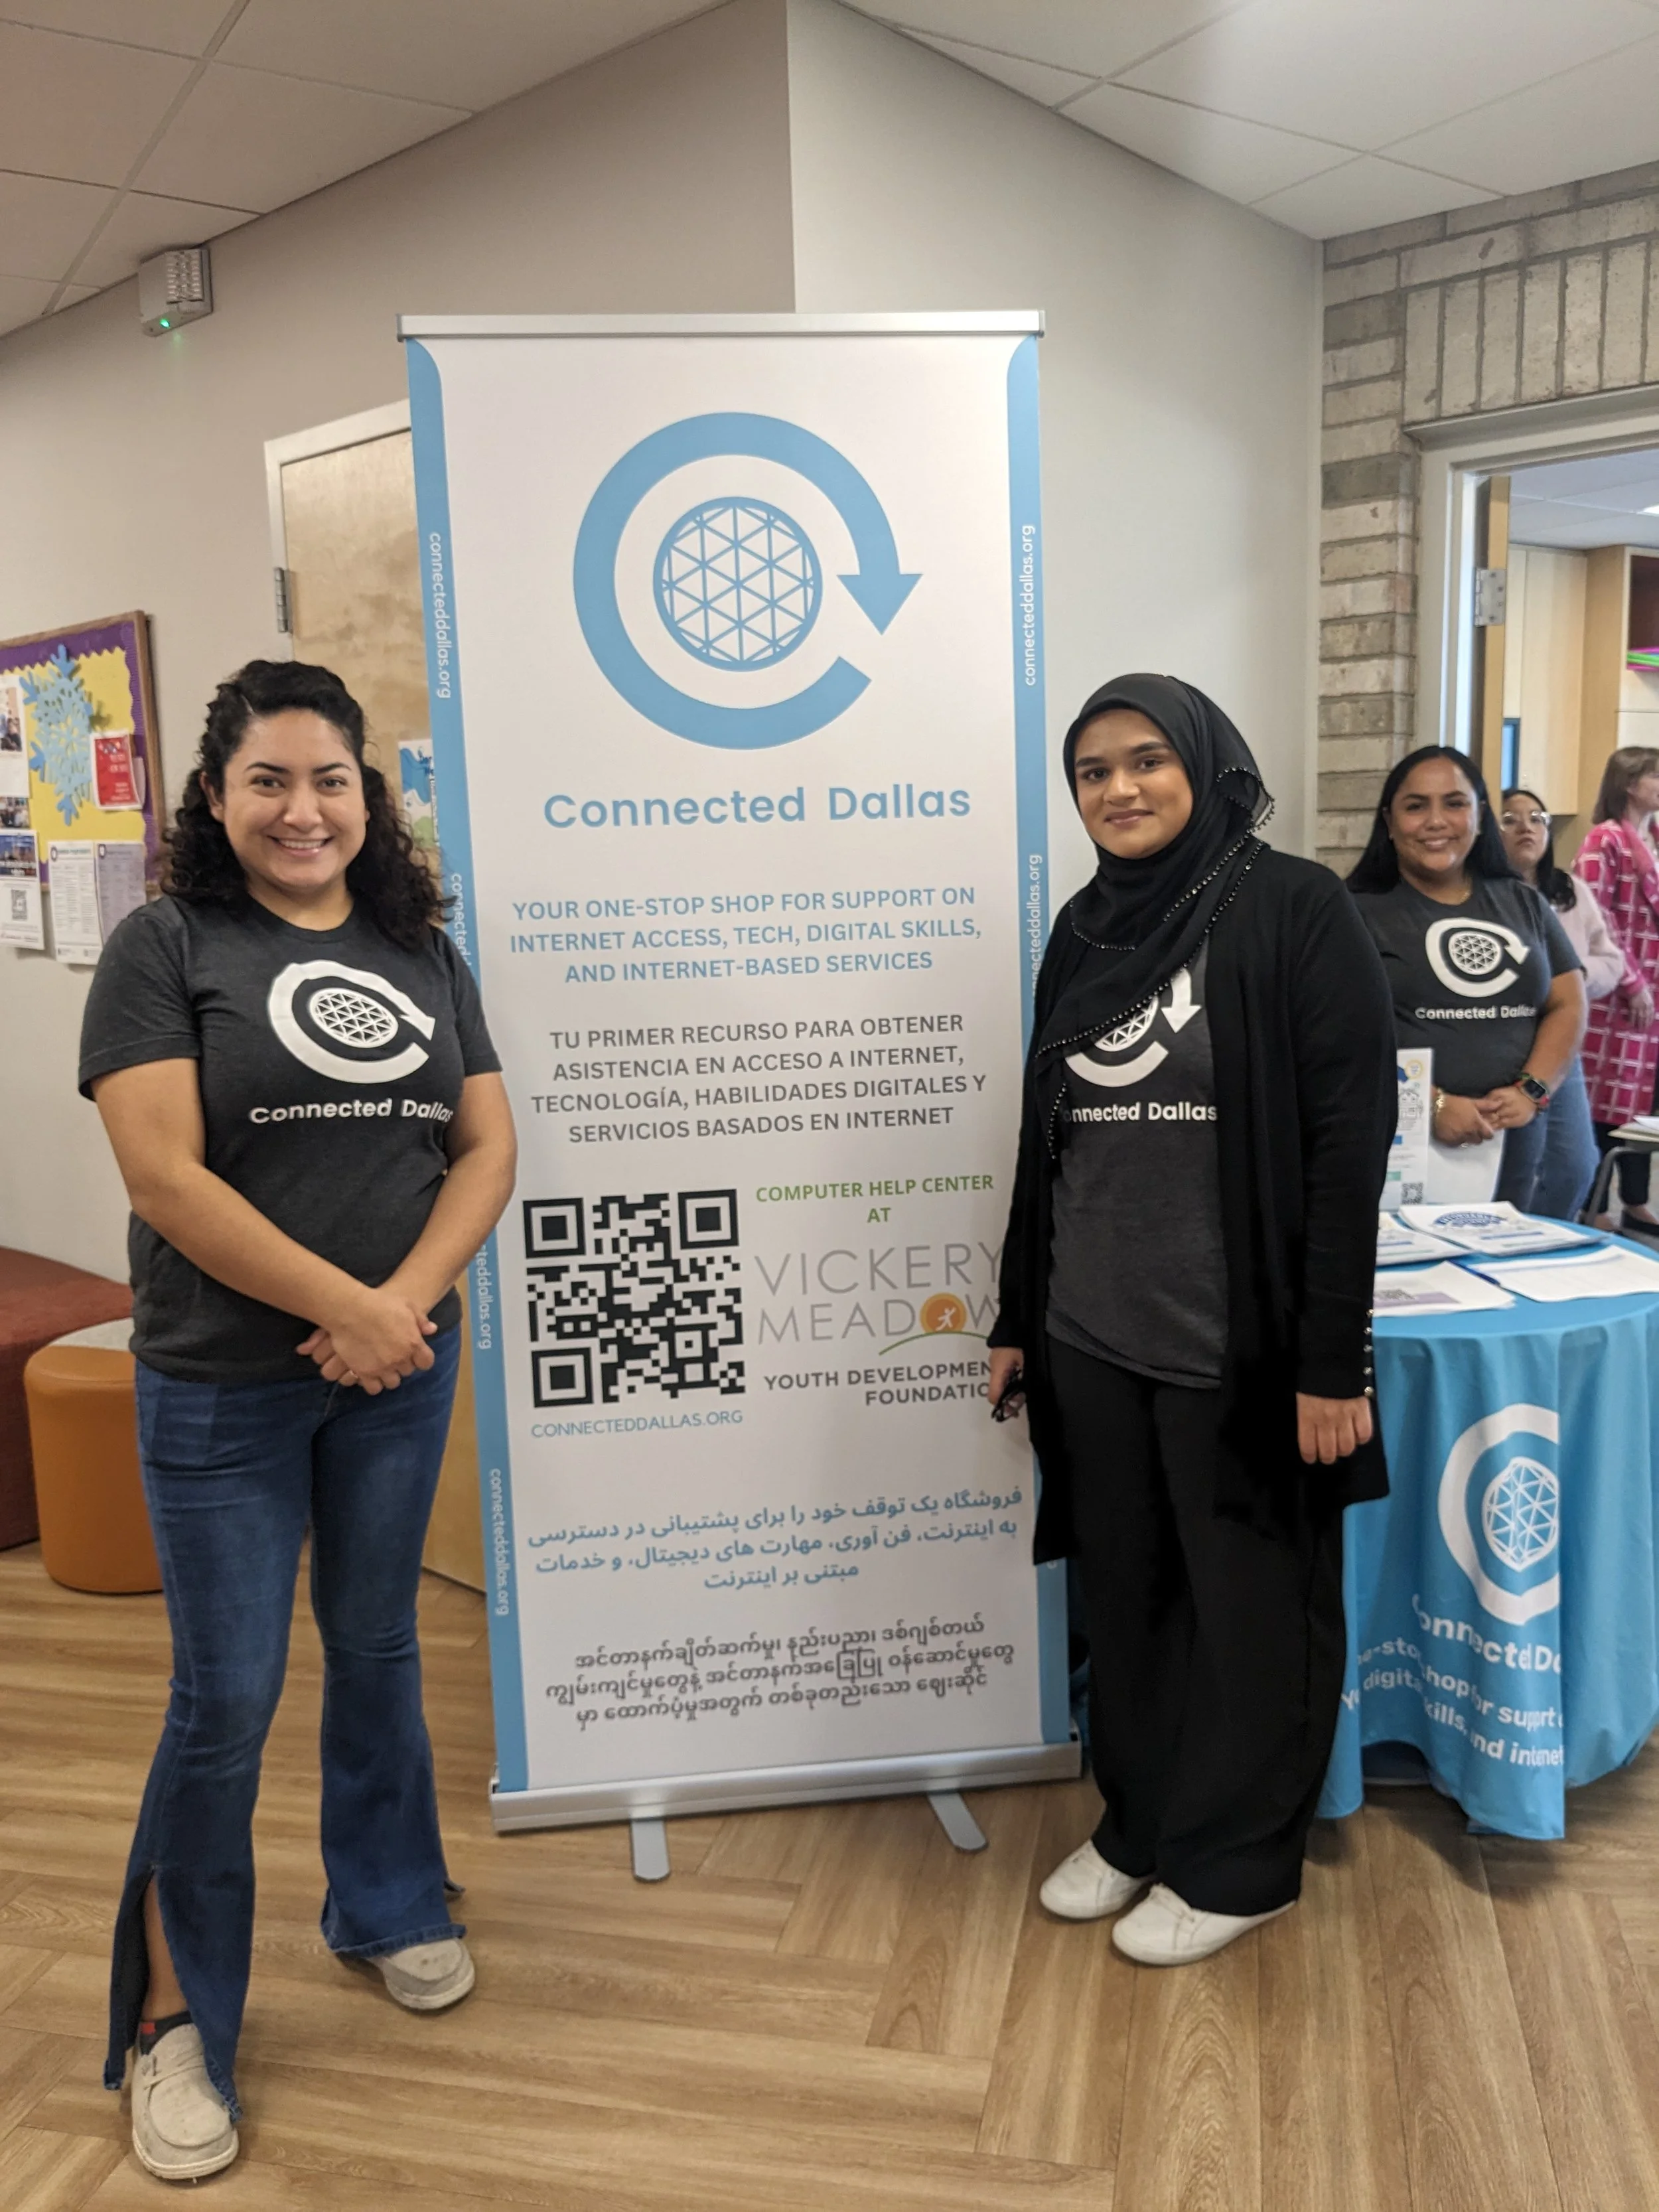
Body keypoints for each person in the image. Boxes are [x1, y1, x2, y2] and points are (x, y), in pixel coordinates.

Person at [79, 660, 516, 2183]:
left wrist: (401, 1305)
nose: (302, 808)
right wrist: (354, 1305)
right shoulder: (163, 945)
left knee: (380, 1643)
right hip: (223, 1385)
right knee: (226, 1698)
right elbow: (165, 1178)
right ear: (216, 798)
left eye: (329, 779)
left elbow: (484, 1143)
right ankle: (171, 2019)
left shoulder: (418, 948)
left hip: (396, 1370)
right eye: (267, 780)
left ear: (364, 797)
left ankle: (386, 1901)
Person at [988, 674, 1396, 1967]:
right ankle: (1139, 1825)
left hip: (1240, 1347)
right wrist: (1014, 1312)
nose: (1118, 788)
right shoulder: (1082, 929)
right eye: (1092, 770)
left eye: (1145, 759)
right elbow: (1042, 1137)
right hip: (1090, 1337)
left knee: (1252, 1611)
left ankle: (1237, 1864)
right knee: (1128, 1600)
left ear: (1207, 767)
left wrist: (1330, 1357)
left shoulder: (1293, 907)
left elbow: (1348, 1147)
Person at [1346, 747, 1585, 1211]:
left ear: (1480, 816)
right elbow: (1338, 1034)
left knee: (1504, 1250)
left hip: (1512, 1133)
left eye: (1455, 803)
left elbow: (1568, 1003)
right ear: (1390, 822)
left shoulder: (1524, 902)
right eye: (1416, 806)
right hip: (1400, 1139)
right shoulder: (1352, 911)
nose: (1436, 821)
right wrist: (1431, 1103)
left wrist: (1531, 1091)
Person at [1500, 786, 1623, 1220]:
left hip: (1560, 1042)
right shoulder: (1483, 893)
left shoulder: (1571, 891)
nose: (1526, 828)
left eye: (1537, 819)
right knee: (1514, 1170)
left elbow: (1611, 960)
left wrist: (1572, 980)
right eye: (1510, 819)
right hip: (1501, 1041)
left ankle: (1544, 1236)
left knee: (1576, 1166)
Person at [1573, 747, 1659, 1234]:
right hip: (1618, 997)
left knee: (1645, 1106)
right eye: (1656, 776)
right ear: (1629, 783)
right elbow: (1596, 918)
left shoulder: (1655, 839)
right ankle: (1594, 1204)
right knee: (1605, 1103)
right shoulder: (1602, 840)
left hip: (1654, 997)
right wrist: (1632, 981)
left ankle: (1637, 1201)